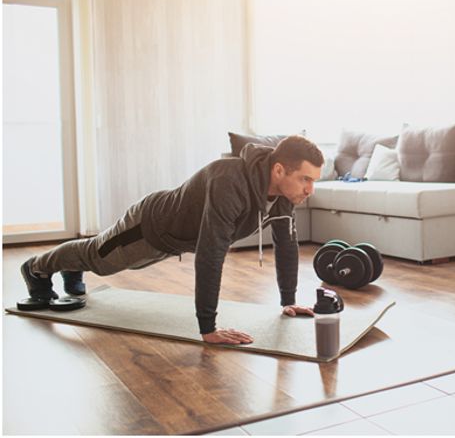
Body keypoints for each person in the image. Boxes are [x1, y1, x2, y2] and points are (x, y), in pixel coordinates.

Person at [20, 135, 323, 345]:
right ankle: (36, 268)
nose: (310, 190)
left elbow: (286, 245)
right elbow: (211, 254)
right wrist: (208, 328)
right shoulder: (229, 181)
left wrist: (288, 301)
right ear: (279, 169)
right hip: (149, 224)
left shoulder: (284, 197)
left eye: (314, 181)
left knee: (95, 260)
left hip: (174, 241)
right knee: (99, 259)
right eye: (305, 179)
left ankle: (73, 268)